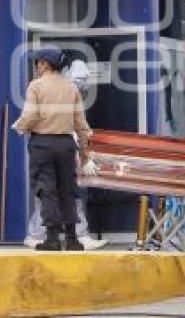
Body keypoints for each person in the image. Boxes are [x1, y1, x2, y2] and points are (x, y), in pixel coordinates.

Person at [13, 46, 92, 251]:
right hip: (66, 144)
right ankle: (73, 238)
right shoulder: (71, 88)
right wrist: (85, 154)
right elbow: (81, 124)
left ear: (45, 64)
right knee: (68, 189)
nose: (36, 66)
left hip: (43, 144)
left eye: (37, 62)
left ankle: (52, 239)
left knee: (47, 190)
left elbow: (30, 116)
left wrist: (20, 127)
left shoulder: (36, 86)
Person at [24, 59, 107, 250]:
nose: (82, 86)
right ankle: (67, 235)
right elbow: (75, 124)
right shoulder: (62, 90)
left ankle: (54, 235)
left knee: (53, 193)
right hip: (62, 146)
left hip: (55, 146)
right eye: (81, 81)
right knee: (54, 193)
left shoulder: (53, 89)